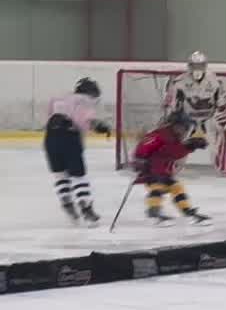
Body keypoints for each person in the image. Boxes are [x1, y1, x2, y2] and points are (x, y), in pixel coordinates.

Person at [44, 77, 113, 225]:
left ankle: (67, 203)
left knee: (60, 173)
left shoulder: (59, 98)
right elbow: (87, 120)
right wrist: (102, 127)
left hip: (50, 138)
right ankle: (86, 208)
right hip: (69, 137)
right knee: (78, 176)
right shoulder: (84, 101)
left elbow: (50, 116)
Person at [163, 51, 226, 175]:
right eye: (194, 65)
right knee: (174, 134)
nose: (197, 69)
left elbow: (222, 103)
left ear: (205, 66)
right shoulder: (179, 82)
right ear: (189, 66)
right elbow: (174, 106)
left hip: (208, 117)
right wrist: (173, 119)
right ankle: (170, 164)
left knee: (222, 127)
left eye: (200, 65)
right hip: (188, 117)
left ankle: (225, 163)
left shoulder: (214, 80)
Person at [130, 113, 210, 225]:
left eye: (187, 128)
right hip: (151, 170)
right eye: (184, 127)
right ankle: (153, 213)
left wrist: (190, 146)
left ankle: (188, 212)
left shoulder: (174, 138)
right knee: (157, 188)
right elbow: (144, 146)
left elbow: (173, 153)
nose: (185, 131)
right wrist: (139, 161)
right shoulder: (160, 135)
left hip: (163, 172)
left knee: (177, 188)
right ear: (173, 125)